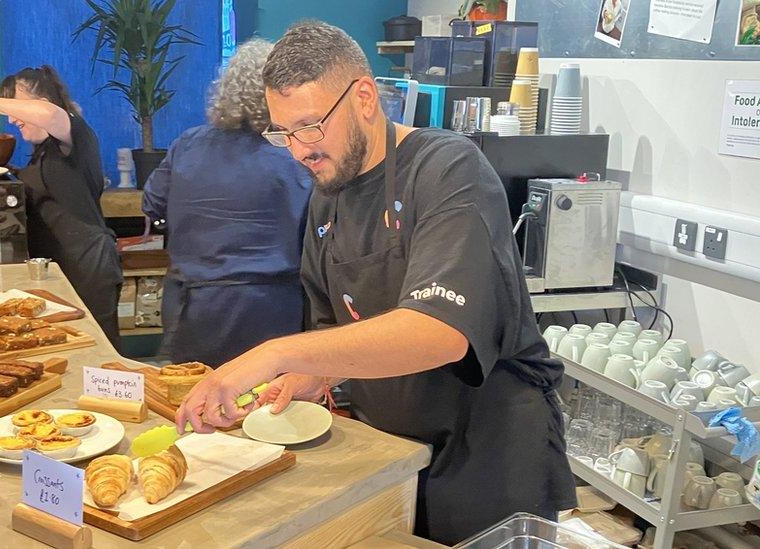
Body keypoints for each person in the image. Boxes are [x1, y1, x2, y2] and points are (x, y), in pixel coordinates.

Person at [175, 22, 576, 544]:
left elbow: (439, 331)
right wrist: (305, 377)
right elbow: (338, 334)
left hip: (488, 455)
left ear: (364, 96)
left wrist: (276, 354)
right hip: (395, 450)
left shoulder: (448, 169)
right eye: (283, 132)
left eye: (311, 126)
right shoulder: (327, 195)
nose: (298, 150)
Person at [142, 40, 312, 367]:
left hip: (194, 306)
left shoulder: (187, 145)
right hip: (271, 309)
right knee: (266, 406)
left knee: (191, 402)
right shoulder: (297, 156)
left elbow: (152, 203)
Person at [0, 66, 123, 348]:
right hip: (58, 268)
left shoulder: (73, 135)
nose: (11, 118)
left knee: (97, 352)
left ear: (41, 102)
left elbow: (51, 114)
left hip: (87, 264)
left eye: (16, 106)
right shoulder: (41, 156)